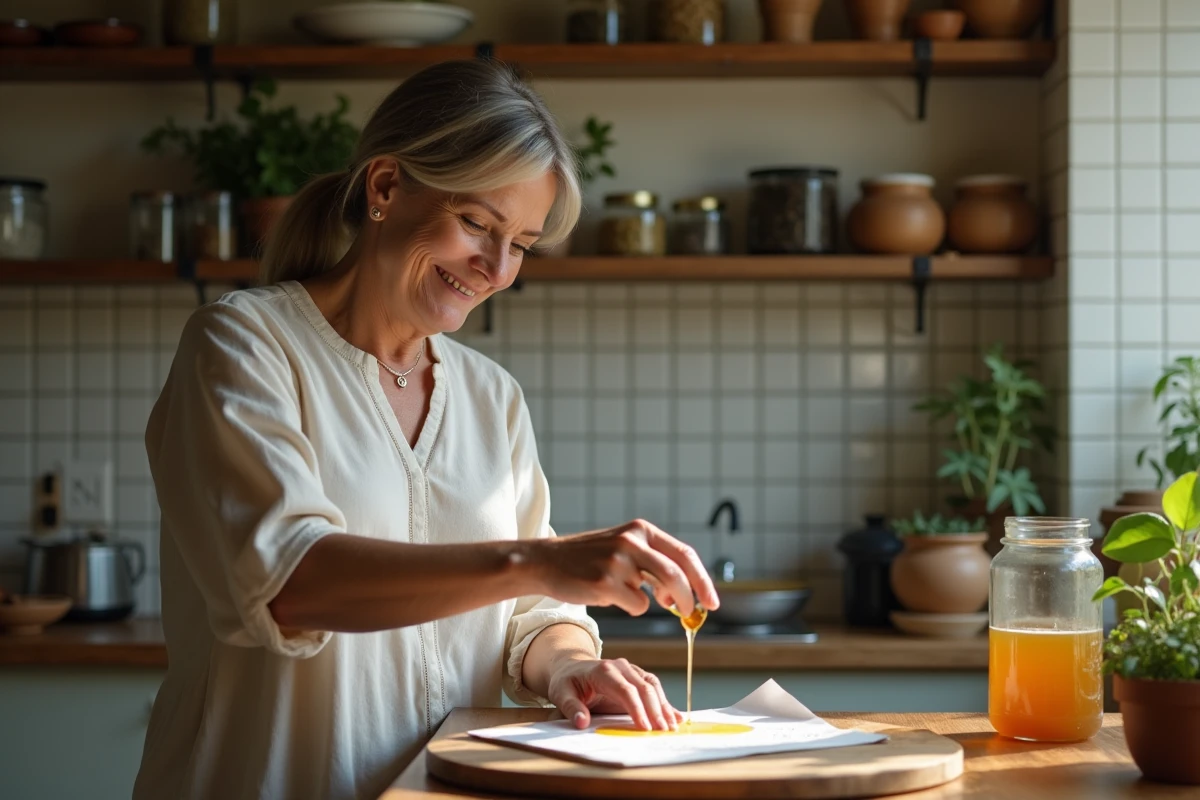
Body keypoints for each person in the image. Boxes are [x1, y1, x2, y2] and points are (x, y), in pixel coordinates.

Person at [133, 59, 720, 800]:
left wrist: (570, 665)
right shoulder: (243, 346)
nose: (495, 267)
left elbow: (533, 618)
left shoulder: (490, 395)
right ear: (385, 187)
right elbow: (287, 584)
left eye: (522, 244)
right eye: (477, 223)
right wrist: (537, 560)